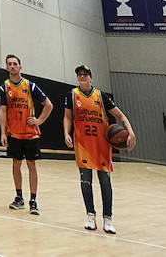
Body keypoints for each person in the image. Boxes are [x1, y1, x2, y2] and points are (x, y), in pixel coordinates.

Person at [63, 65, 136, 235]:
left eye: (85, 74)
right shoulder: (72, 96)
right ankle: (90, 216)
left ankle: (108, 219)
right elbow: (67, 117)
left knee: (105, 183)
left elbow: (121, 116)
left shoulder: (101, 96)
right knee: (86, 182)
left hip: (102, 146)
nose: (82, 77)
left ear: (91, 78)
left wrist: (130, 131)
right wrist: (66, 132)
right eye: (79, 75)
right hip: (83, 146)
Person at [0, 53, 53, 216]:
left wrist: (39, 121)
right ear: (7, 67)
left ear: (20, 67)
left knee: (31, 166)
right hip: (14, 134)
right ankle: (19, 198)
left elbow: (48, 105)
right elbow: (2, 110)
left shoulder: (30, 86)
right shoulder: (4, 87)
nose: (13, 66)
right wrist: (3, 132)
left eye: (15, 63)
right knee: (16, 164)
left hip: (30, 135)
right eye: (10, 64)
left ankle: (33, 200)